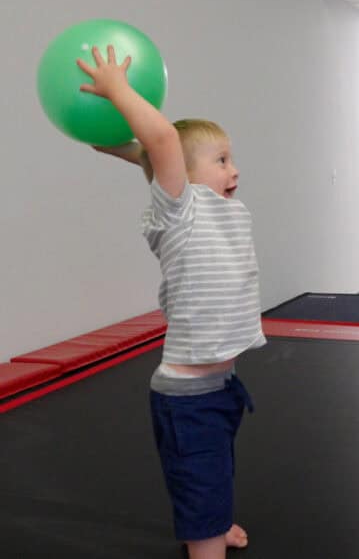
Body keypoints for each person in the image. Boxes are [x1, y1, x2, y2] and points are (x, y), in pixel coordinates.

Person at [78, 45, 266, 559]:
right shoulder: (178, 209)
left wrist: (114, 145)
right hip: (188, 396)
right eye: (221, 159)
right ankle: (207, 542)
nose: (234, 168)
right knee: (200, 476)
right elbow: (161, 143)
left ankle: (216, 522)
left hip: (221, 384)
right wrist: (117, 87)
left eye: (231, 157)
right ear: (181, 173)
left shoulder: (214, 206)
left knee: (216, 469)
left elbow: (152, 151)